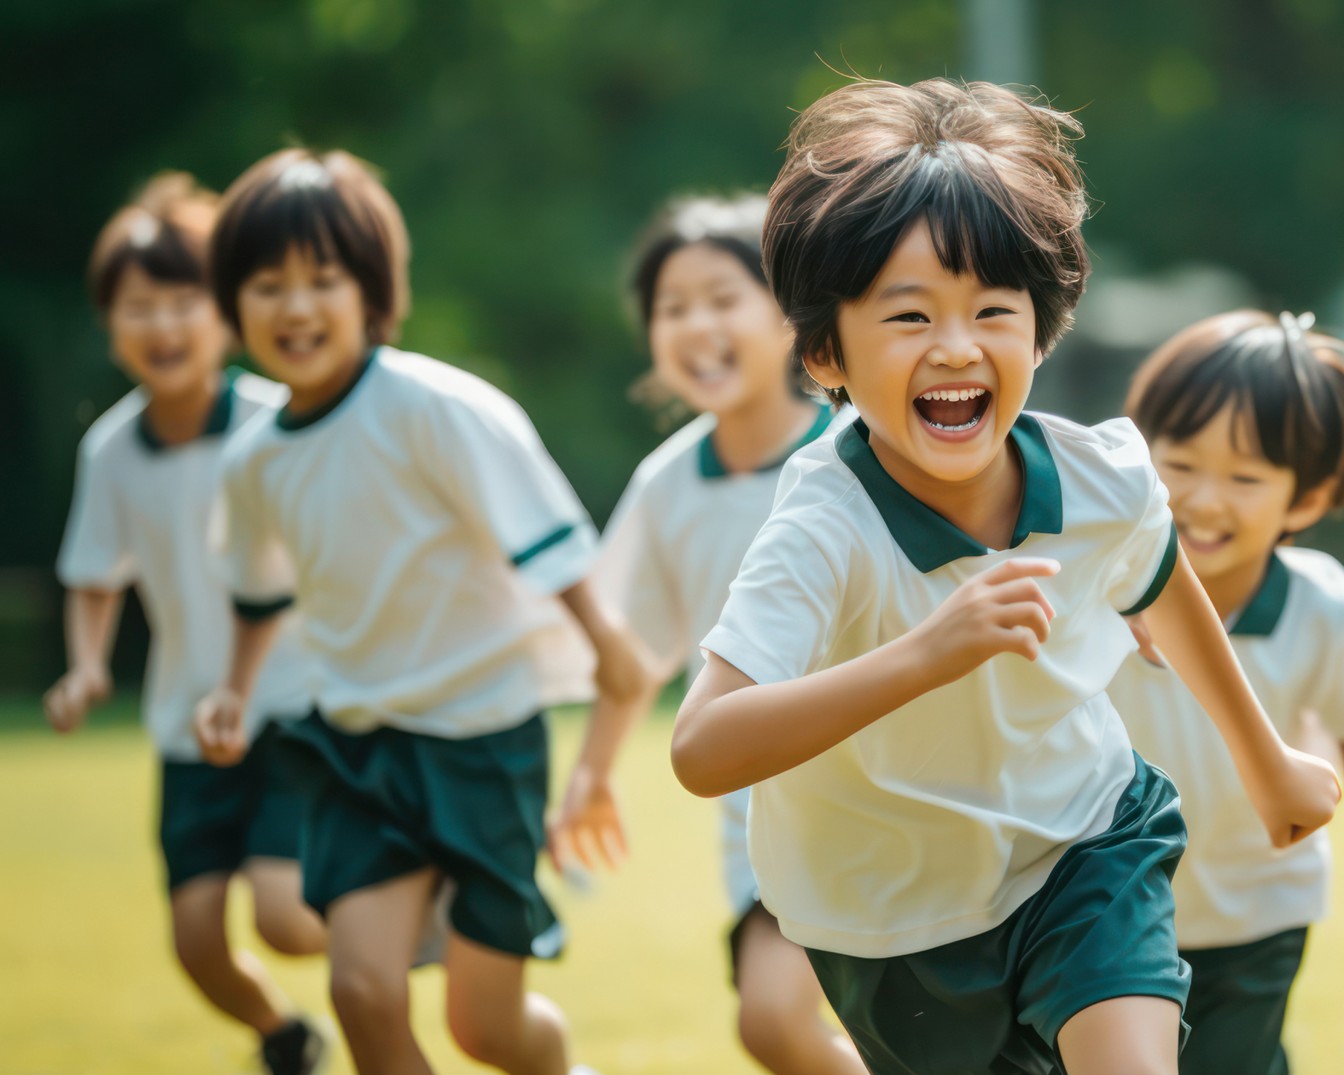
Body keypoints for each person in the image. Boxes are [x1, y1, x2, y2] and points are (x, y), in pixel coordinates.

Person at [669, 78, 1342, 1075]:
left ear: (1039, 328)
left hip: (1084, 841)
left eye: (991, 309)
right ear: (825, 351)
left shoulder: (1098, 475)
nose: (955, 346)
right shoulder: (821, 526)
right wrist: (925, 654)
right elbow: (703, 746)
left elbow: (1157, 578)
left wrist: (1263, 758)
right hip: (887, 920)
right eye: (907, 317)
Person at [192, 147, 645, 1075]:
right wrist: (234, 690)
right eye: (268, 285)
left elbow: (547, 528)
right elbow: (256, 590)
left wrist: (606, 643)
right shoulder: (252, 461)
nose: (295, 307)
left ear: (371, 291)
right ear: (233, 305)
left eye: (322, 279)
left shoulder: (434, 406)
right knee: (362, 992)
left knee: (489, 1031)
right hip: (358, 744)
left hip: (482, 737)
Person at [46, 171, 329, 1075]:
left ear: (223, 311)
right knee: (198, 942)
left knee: (286, 917)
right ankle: (287, 1038)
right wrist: (87, 666)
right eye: (138, 309)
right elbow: (94, 574)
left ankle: (399, 919)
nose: (162, 327)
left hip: (289, 707)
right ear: (110, 325)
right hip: (185, 725)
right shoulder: (113, 448)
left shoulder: (269, 419)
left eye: (182, 302)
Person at [1112, 310, 1344, 1075]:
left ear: (1307, 498)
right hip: (1107, 903)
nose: (1201, 499)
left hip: (1262, 905)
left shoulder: (1324, 607)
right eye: (1180, 463)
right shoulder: (1099, 583)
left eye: (1246, 477)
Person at [587, 193, 861, 1074]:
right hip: (767, 817)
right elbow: (633, 649)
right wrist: (591, 773)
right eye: (673, 307)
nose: (696, 324)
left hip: (898, 794)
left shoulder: (866, 449)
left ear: (791, 316)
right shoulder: (668, 485)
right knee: (770, 1022)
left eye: (720, 296)